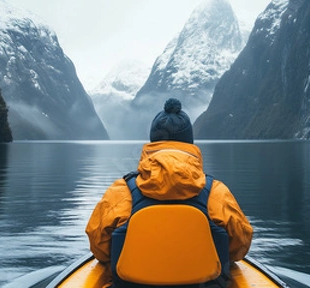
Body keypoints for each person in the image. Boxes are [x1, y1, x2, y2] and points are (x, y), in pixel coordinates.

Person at [86, 98, 253, 287]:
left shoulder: (120, 192)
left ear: (152, 141)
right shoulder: (216, 192)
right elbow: (240, 247)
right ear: (189, 142)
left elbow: (99, 248)